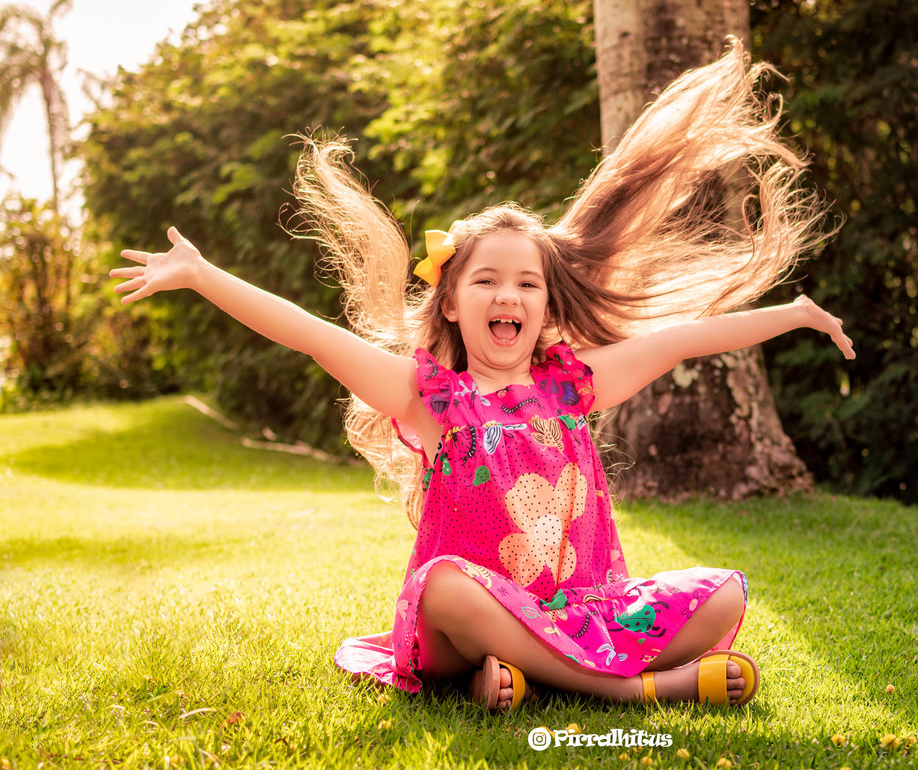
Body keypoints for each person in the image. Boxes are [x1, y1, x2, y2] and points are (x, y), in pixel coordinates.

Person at [109, 40, 855, 710]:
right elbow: (309, 335)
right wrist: (204, 276)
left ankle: (509, 675)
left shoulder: (576, 385)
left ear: (547, 301)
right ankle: (623, 691)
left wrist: (791, 313)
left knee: (724, 593)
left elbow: (683, 341)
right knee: (442, 583)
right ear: (454, 304)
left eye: (526, 284)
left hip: (578, 610)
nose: (508, 296)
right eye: (487, 282)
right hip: (464, 617)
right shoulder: (428, 397)